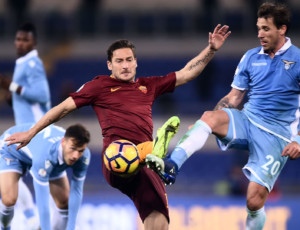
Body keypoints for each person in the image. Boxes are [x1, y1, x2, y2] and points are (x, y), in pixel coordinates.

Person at [5, 24, 230, 230]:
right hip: (116, 157)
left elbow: (186, 73)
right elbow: (63, 108)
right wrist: (32, 132)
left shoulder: (148, 86)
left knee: (159, 218)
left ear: (136, 62)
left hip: (143, 164)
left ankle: (153, 153)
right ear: (109, 65)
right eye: (119, 61)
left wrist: (211, 49)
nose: (125, 65)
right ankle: (155, 151)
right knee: (130, 154)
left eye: (129, 60)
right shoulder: (99, 86)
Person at [146, 2, 300, 230]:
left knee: (254, 200)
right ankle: (172, 165)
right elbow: (235, 97)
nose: (260, 34)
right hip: (248, 120)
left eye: (266, 29)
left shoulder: (298, 59)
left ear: (282, 29)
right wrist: (203, 126)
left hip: (277, 135)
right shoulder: (250, 57)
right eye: (258, 28)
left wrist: (298, 139)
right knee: (209, 116)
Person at [0, 22, 51, 229]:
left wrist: (10, 85)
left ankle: (32, 217)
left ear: (34, 43)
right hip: (26, 131)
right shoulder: (23, 63)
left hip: (33, 131)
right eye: (18, 39)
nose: (20, 43)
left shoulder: (32, 63)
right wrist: (13, 98)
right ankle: (32, 218)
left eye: (25, 40)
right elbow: (30, 98)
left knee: (8, 168)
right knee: (11, 172)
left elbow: (42, 95)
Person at [0, 123, 91, 230]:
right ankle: (4, 228)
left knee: (64, 202)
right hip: (11, 150)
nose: (75, 156)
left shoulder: (84, 156)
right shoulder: (45, 155)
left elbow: (76, 192)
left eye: (80, 151)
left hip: (43, 157)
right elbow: (42, 201)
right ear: (63, 142)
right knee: (9, 200)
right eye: (73, 148)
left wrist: (71, 227)